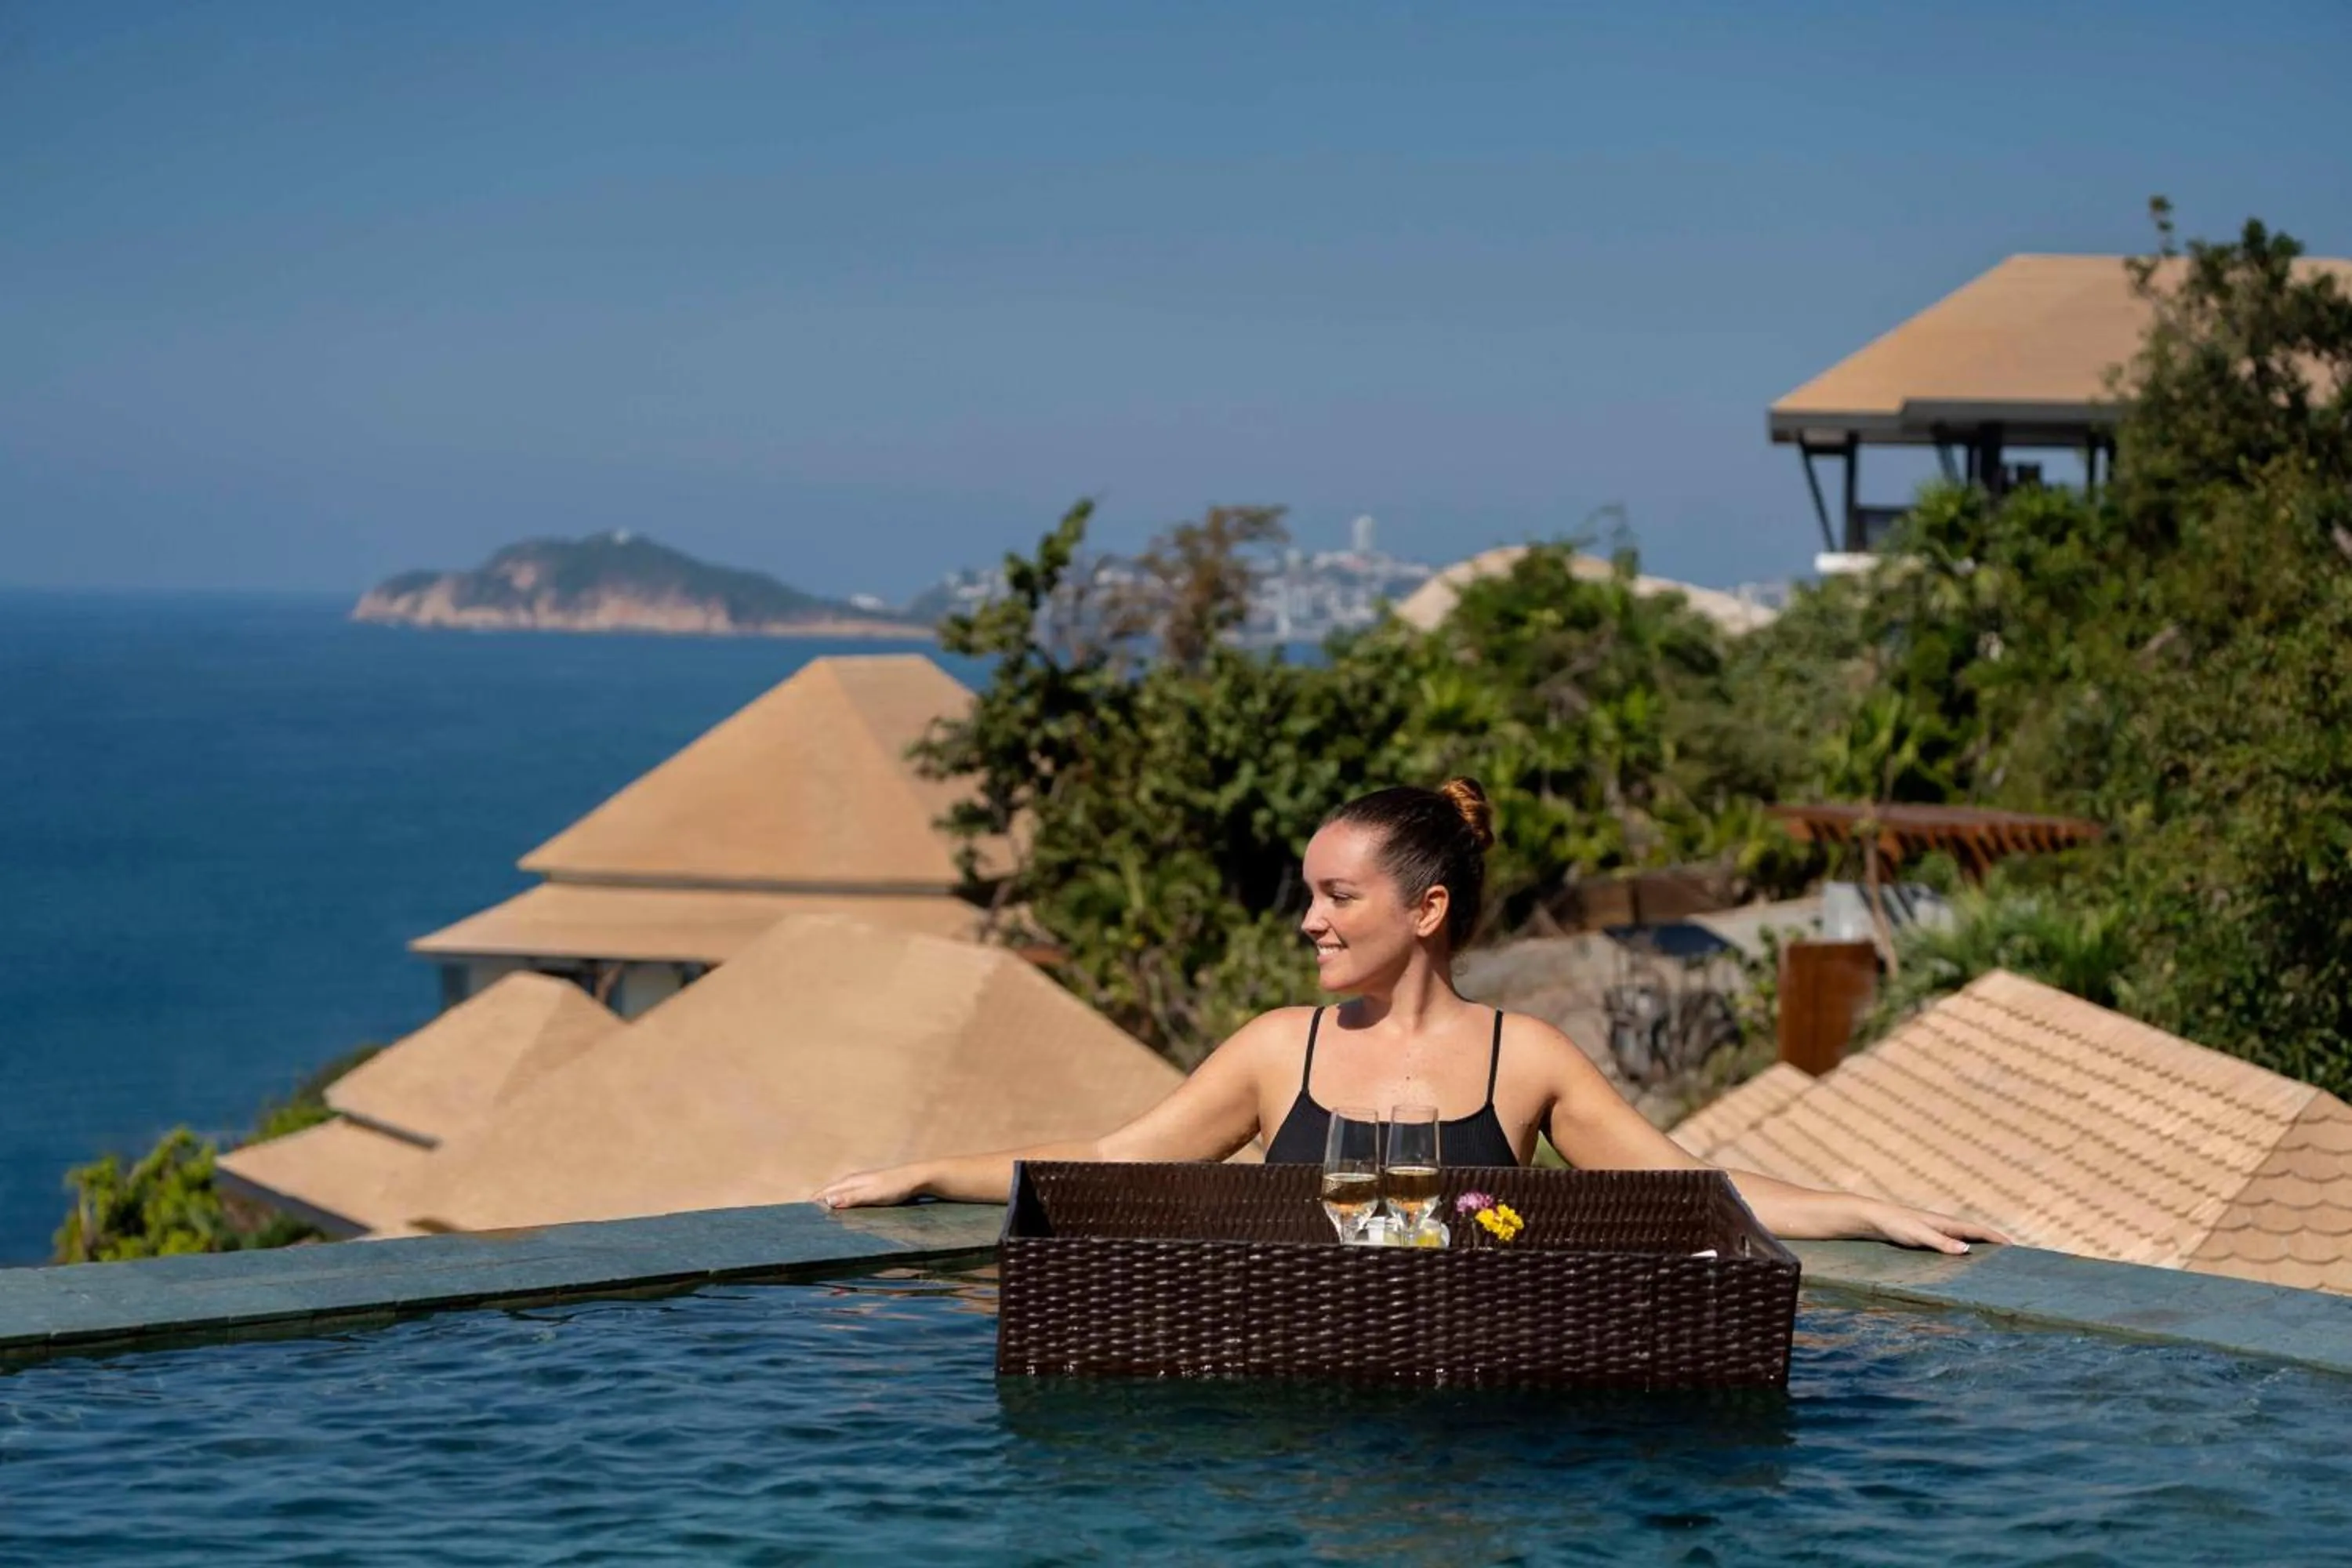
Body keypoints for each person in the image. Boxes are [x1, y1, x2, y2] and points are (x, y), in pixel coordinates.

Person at [815, 778, 2005, 1254]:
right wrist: (928, 1173)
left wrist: (1860, 1209)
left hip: (1474, 1428)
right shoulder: (1279, 1053)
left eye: (1339, 898)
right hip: (1303, 1422)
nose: (1311, 923)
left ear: (1426, 908)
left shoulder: (1524, 1060)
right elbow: (1113, 1162)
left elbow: (1691, 1194)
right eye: (1310, 896)